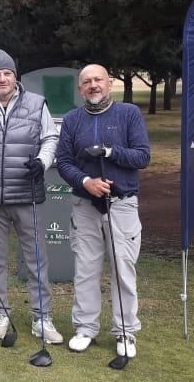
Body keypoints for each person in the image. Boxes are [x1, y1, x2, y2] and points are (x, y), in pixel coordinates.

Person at [55, 64, 150, 358]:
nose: (93, 86)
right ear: (80, 89)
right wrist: (86, 181)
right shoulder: (73, 120)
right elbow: (64, 161)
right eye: (87, 82)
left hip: (121, 203)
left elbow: (142, 156)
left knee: (123, 268)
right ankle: (85, 328)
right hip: (85, 204)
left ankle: (125, 331)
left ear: (109, 83)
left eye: (98, 80)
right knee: (85, 269)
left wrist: (109, 152)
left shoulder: (129, 114)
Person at [0, 49, 64, 345]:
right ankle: (0, 312)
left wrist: (43, 161)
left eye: (7, 73)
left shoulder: (36, 104)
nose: (2, 78)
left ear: (15, 76)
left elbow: (51, 137)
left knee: (36, 258)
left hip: (26, 194)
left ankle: (41, 317)